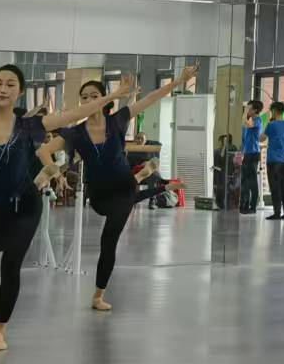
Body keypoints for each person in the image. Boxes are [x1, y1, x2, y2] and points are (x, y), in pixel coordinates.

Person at [0, 67, 132, 349]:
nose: (3, 89)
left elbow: (72, 115)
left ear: (19, 92)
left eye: (10, 84)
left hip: (27, 203)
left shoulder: (30, 126)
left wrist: (113, 96)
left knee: (10, 263)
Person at [46, 68, 196, 312]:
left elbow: (152, 98)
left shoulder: (116, 121)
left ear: (104, 99)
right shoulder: (75, 133)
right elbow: (44, 151)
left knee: (109, 241)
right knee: (132, 196)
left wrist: (179, 80)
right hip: (98, 196)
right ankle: (156, 182)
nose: (89, 100)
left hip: (124, 189)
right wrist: (56, 174)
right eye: (84, 97)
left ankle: (98, 295)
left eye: (94, 96)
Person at [264, 100, 284, 221]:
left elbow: (262, 138)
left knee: (275, 187)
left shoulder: (272, 125)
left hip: (273, 160)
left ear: (274, 111)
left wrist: (268, 123)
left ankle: (277, 213)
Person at [238, 100, 264, 214]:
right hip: (247, 153)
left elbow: (246, 124)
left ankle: (253, 207)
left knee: (252, 181)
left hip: (253, 153)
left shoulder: (257, 120)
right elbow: (244, 138)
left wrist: (245, 111)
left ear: (255, 110)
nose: (248, 110)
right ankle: (244, 204)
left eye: (250, 108)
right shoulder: (249, 120)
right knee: (244, 180)